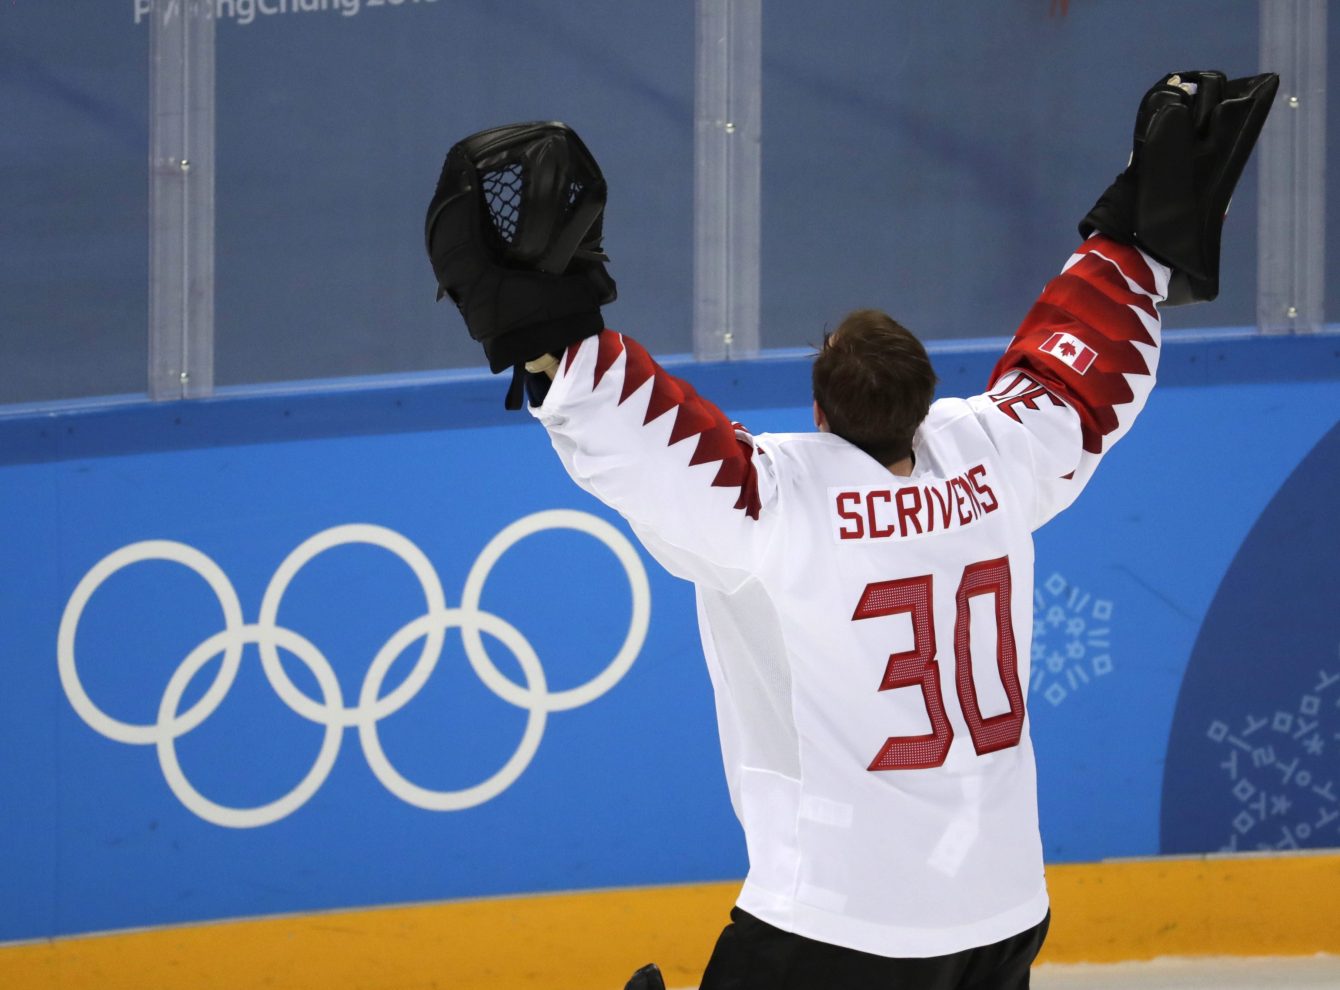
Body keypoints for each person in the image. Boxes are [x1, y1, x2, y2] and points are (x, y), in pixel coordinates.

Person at [426, 71, 1278, 990]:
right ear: (926, 404)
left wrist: (538, 324)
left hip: (838, 919)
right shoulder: (995, 454)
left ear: (819, 412)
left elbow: (641, 429)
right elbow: (1082, 368)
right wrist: (1138, 246)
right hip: (1000, 911)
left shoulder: (774, 504)